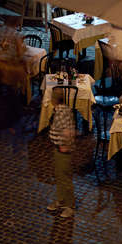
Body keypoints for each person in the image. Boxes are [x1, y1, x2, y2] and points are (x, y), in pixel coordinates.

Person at [46, 88, 77, 220]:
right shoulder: (62, 110)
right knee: (59, 176)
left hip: (63, 149)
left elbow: (68, 131)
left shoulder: (62, 113)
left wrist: (66, 144)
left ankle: (69, 205)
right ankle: (61, 200)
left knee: (64, 177)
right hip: (58, 147)